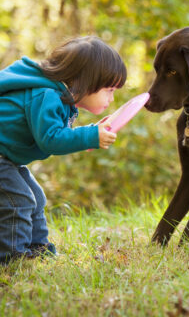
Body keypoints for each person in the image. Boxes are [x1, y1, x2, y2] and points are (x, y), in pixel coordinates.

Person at [0, 36, 127, 264]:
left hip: (7, 158)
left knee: (35, 197)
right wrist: (89, 137)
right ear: (85, 81)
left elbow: (58, 131)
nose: (111, 98)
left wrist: (90, 133)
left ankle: (37, 249)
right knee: (19, 200)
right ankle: (11, 258)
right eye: (109, 90)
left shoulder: (57, 96)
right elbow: (51, 139)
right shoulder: (45, 95)